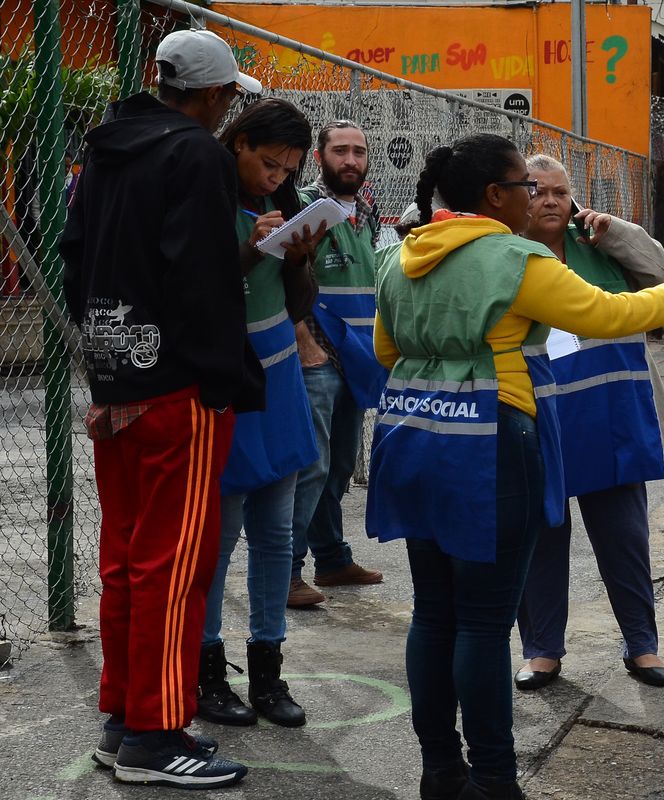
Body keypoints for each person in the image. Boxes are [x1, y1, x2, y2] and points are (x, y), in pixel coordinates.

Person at [367, 133, 664, 800]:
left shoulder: (401, 256)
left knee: (434, 615)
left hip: (410, 431)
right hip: (491, 435)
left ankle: (440, 772)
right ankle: (495, 778)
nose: (534, 198)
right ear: (494, 196)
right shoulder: (514, 258)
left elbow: (386, 348)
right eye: (524, 187)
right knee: (482, 623)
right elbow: (607, 313)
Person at [61, 28, 260, 788]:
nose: (223, 111)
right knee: (176, 561)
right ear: (209, 94)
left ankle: (124, 718)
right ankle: (155, 731)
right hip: (178, 386)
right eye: (225, 98)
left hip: (117, 374)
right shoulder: (196, 153)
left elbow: (74, 254)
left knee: (128, 559)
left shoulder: (104, 146)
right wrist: (222, 378)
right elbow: (202, 277)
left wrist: (107, 376)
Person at [513, 155, 664, 692]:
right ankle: (541, 651)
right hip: (541, 420)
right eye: (537, 191)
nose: (550, 202)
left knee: (625, 540)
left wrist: (619, 235)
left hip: (611, 420)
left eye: (561, 193)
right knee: (541, 538)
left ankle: (643, 645)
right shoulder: (510, 257)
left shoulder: (600, 249)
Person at [197, 98, 325, 730]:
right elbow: (202, 295)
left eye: (288, 169)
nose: (276, 177)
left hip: (278, 370)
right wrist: (250, 251)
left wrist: (298, 257)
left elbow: (297, 300)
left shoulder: (284, 208)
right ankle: (208, 672)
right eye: (268, 163)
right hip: (228, 376)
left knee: (276, 533)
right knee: (217, 538)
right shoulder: (203, 198)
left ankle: (269, 670)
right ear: (237, 142)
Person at [286, 119, 386, 609]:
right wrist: (304, 337)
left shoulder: (367, 212)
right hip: (319, 352)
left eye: (359, 152)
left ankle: (332, 558)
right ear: (320, 156)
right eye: (340, 151)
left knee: (340, 464)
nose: (351, 160)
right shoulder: (306, 208)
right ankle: (285, 569)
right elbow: (285, 277)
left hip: (357, 356)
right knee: (311, 463)